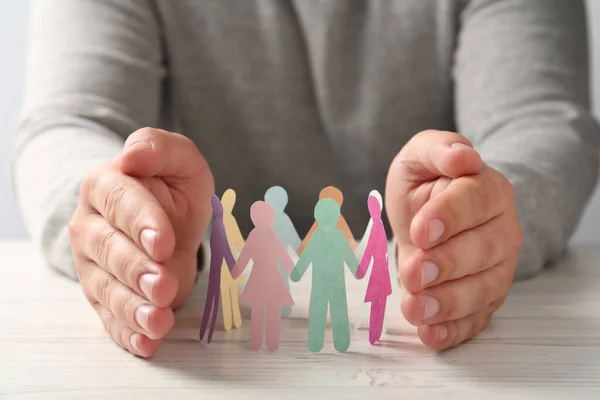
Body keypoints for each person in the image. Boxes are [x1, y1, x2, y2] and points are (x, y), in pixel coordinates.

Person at [11, 1, 599, 358]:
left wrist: (476, 211)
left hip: (393, 302)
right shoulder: (267, 240)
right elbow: (69, 124)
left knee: (322, 315)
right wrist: (123, 215)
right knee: (266, 310)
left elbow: (543, 123)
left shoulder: (312, 239)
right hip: (219, 308)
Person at [291, 198, 359, 353]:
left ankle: (334, 342)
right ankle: (319, 342)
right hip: (325, 282)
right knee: (321, 311)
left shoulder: (324, 236)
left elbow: (347, 255)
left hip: (330, 283)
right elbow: (307, 256)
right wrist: (357, 271)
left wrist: (297, 273)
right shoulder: (329, 236)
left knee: (330, 311)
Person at [231, 201, 295, 351]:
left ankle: (264, 342)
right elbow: (282, 255)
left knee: (263, 310)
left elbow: (245, 256)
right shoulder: (264, 235)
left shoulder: (258, 235)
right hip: (268, 277)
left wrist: (236, 271)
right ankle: (262, 342)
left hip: (263, 277)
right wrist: (293, 271)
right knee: (264, 310)